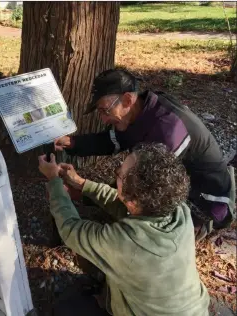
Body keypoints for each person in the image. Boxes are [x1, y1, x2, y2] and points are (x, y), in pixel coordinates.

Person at [54, 69, 235, 240]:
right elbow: (113, 140)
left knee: (131, 233)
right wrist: (74, 143)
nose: (103, 119)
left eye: (104, 111)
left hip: (205, 204)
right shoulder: (143, 109)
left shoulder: (167, 133)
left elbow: (141, 188)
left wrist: (83, 191)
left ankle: (197, 229)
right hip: (179, 185)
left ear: (127, 99)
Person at [38, 144, 210, 316]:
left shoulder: (126, 242)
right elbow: (122, 202)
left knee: (63, 309)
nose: (118, 170)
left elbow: (71, 229)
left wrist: (54, 182)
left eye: (119, 174)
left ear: (133, 200)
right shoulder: (178, 210)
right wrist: (82, 183)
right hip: (194, 309)